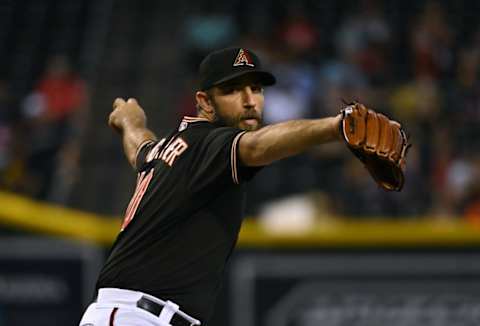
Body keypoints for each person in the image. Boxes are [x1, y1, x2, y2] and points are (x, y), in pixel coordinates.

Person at [79, 47, 343, 326]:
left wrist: (130, 121)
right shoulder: (208, 142)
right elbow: (256, 146)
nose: (249, 101)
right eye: (232, 90)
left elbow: (140, 148)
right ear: (205, 102)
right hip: (137, 317)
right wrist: (338, 127)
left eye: (256, 89)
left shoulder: (169, 149)